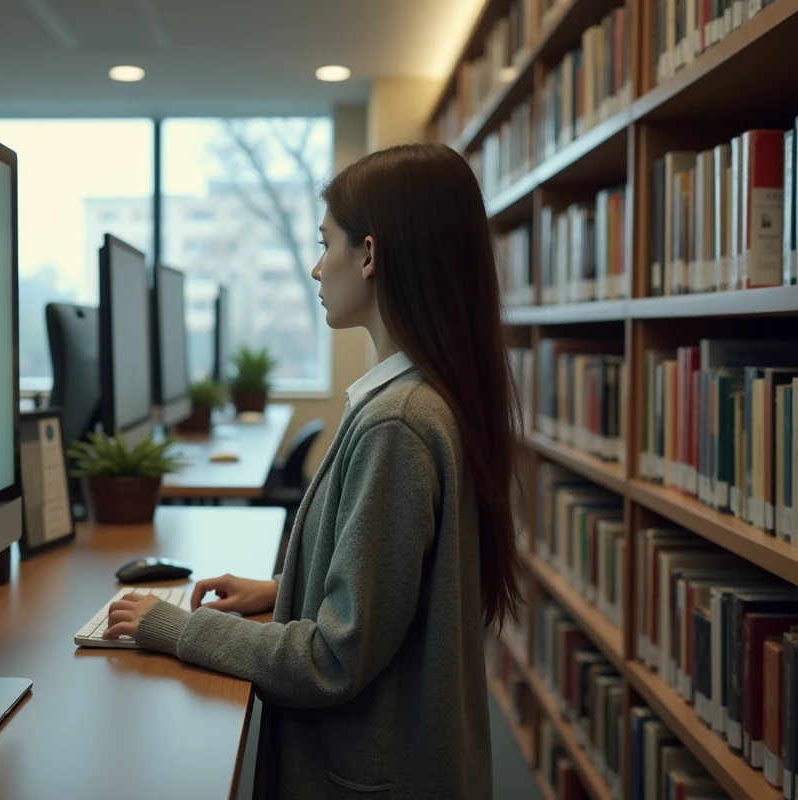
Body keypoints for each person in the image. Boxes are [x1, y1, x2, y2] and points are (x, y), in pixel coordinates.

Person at [104, 141, 522, 799]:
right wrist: (285, 588)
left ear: (370, 254)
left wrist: (181, 628)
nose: (314, 267)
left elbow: (332, 660)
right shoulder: (420, 397)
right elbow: (391, 595)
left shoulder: (399, 423)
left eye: (326, 243)